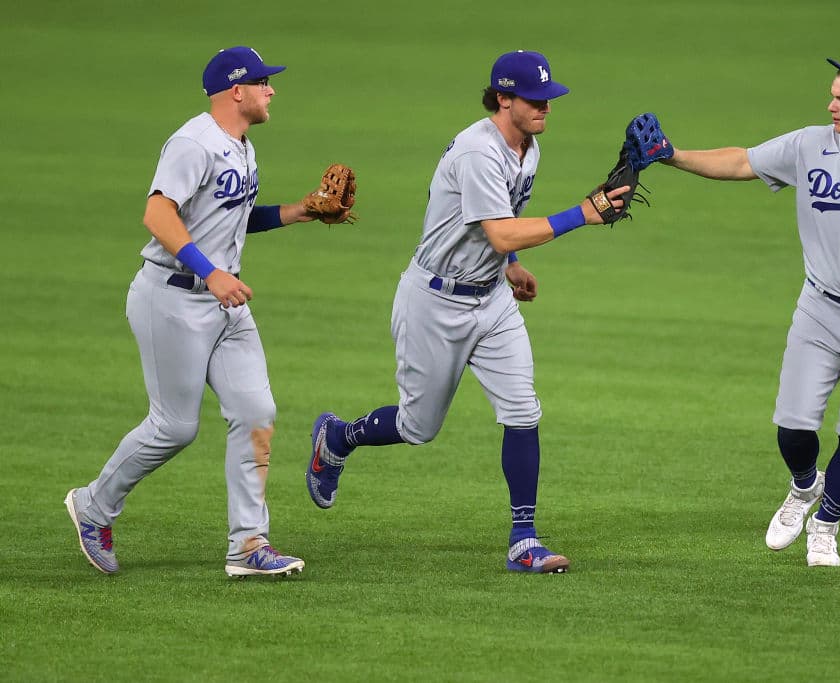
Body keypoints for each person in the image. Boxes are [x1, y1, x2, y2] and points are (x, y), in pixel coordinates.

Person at [305, 50, 629, 573]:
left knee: (523, 411)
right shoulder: (479, 152)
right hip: (434, 302)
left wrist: (511, 266)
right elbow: (500, 231)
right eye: (534, 99)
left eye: (548, 97)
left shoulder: (527, 147)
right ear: (504, 99)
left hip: (492, 301)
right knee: (417, 427)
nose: (546, 106)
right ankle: (338, 437)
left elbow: (500, 225)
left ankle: (524, 541)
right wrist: (581, 214)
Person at [659, 51, 840, 566]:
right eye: (832, 96)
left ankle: (826, 524)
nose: (831, 106)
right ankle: (803, 488)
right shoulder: (809, 145)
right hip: (820, 308)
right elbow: (743, 161)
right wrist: (673, 156)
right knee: (793, 427)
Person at [65, 46, 325, 577]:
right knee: (174, 427)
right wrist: (211, 272)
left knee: (256, 413)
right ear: (237, 90)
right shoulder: (193, 143)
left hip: (225, 302)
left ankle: (248, 545)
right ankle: (93, 505)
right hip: (172, 297)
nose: (271, 90)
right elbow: (157, 214)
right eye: (263, 82)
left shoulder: (243, 146)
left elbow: (231, 216)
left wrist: (299, 211)